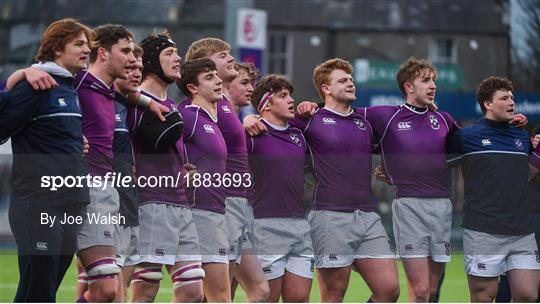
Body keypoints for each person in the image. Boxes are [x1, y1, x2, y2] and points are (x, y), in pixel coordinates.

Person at [246, 58, 400, 302]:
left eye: (351, 79)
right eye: (343, 80)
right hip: (330, 216)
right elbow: (270, 121)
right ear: (326, 89)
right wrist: (248, 120)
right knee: (333, 295)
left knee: (389, 290)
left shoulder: (364, 121)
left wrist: (390, 170)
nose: (350, 83)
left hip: (368, 216)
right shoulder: (307, 120)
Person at [0, 18, 93, 302]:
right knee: (39, 289)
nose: (86, 49)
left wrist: (76, 144)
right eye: (78, 44)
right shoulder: (34, 85)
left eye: (87, 44)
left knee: (40, 290)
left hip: (70, 203)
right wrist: (15, 80)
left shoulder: (68, 89)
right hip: (38, 202)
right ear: (55, 49)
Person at [183, 38, 269, 302]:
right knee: (219, 294)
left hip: (238, 202)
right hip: (222, 201)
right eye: (223, 55)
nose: (230, 58)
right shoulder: (199, 107)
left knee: (255, 291)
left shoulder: (221, 105)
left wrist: (246, 121)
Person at [125, 32, 204, 303]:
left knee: (193, 291)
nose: (178, 58)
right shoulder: (134, 100)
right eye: (169, 53)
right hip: (151, 204)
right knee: (146, 290)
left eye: (177, 52)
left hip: (181, 205)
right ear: (150, 61)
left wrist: (183, 169)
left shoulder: (172, 104)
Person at [446, 76, 540, 302]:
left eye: (512, 98)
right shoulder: (466, 136)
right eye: (504, 98)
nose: (511, 102)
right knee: (484, 298)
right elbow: (434, 163)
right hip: (483, 231)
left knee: (528, 295)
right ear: (488, 104)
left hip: (522, 232)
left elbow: (525, 175)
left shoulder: (521, 135)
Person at [248, 74, 314, 302]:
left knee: (300, 299)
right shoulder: (252, 134)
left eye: (291, 95)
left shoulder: (299, 136)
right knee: (266, 298)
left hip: (300, 224)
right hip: (266, 226)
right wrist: (244, 121)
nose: (291, 100)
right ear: (266, 104)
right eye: (283, 96)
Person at [177, 57, 231, 302]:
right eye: (209, 77)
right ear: (193, 88)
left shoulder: (212, 120)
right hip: (199, 212)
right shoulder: (188, 115)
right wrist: (177, 173)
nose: (218, 80)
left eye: (216, 75)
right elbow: (158, 148)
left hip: (215, 213)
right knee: (219, 297)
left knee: (197, 297)